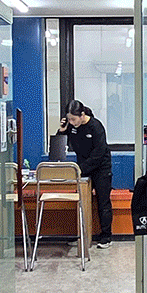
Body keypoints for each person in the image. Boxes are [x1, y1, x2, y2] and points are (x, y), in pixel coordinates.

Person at [60, 100, 113, 249]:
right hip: (83, 168)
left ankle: (106, 236)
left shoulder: (96, 126)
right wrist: (62, 130)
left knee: (103, 203)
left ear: (82, 115)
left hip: (101, 168)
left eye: (73, 119)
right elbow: (60, 144)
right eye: (69, 119)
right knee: (82, 202)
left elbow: (99, 153)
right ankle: (81, 235)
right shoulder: (72, 127)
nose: (71, 122)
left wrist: (80, 169)